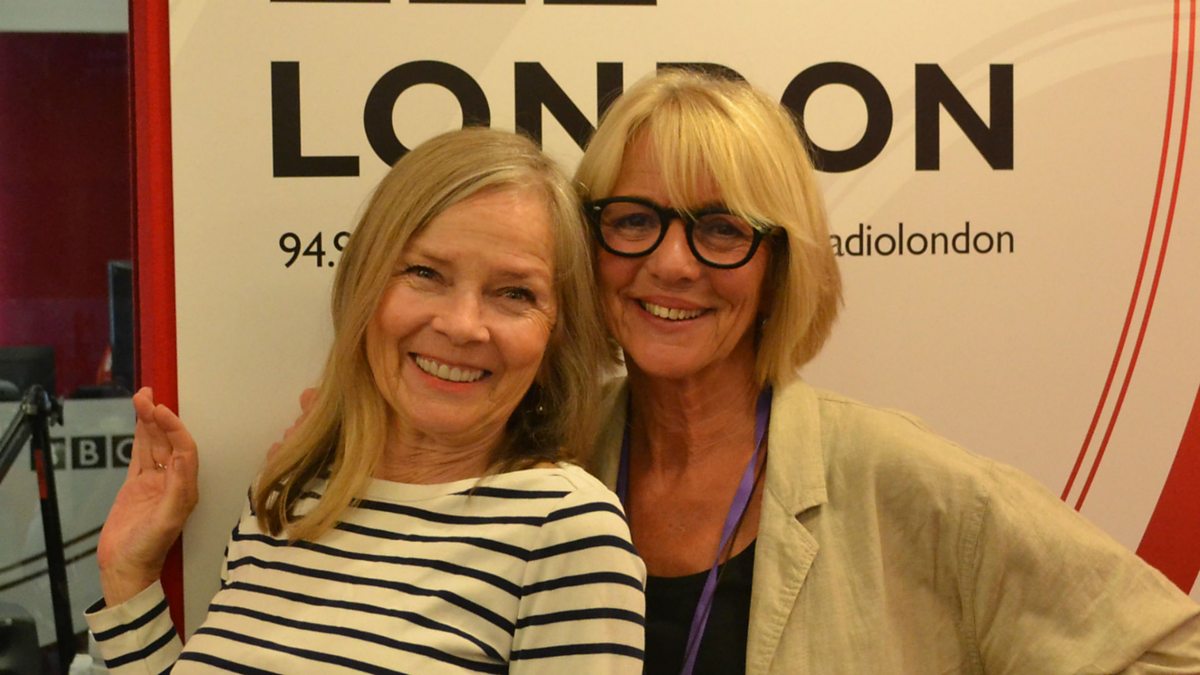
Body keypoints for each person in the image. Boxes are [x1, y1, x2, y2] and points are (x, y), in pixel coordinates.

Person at [573, 69, 1200, 674]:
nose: (674, 263)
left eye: (721, 228)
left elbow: (1173, 653)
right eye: (635, 220)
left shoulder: (900, 478)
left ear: (780, 266)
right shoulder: (545, 456)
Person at [85, 128, 646, 673]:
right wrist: (127, 577)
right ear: (365, 285)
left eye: (514, 293)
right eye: (426, 273)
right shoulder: (288, 491)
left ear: (556, 334)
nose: (462, 325)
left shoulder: (566, 529)